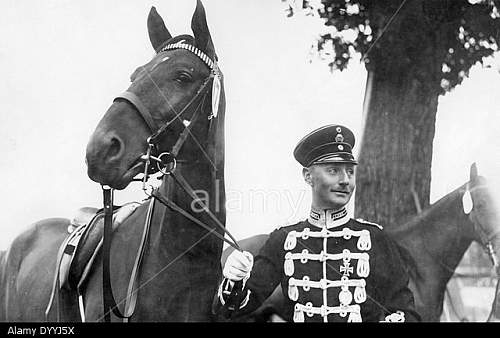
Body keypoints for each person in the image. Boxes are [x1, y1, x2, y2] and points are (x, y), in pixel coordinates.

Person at [215, 124, 420, 322]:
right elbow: (230, 311)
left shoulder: (375, 239)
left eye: (350, 172)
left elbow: (405, 312)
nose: (345, 180)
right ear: (308, 176)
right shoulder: (285, 239)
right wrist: (234, 279)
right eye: (333, 171)